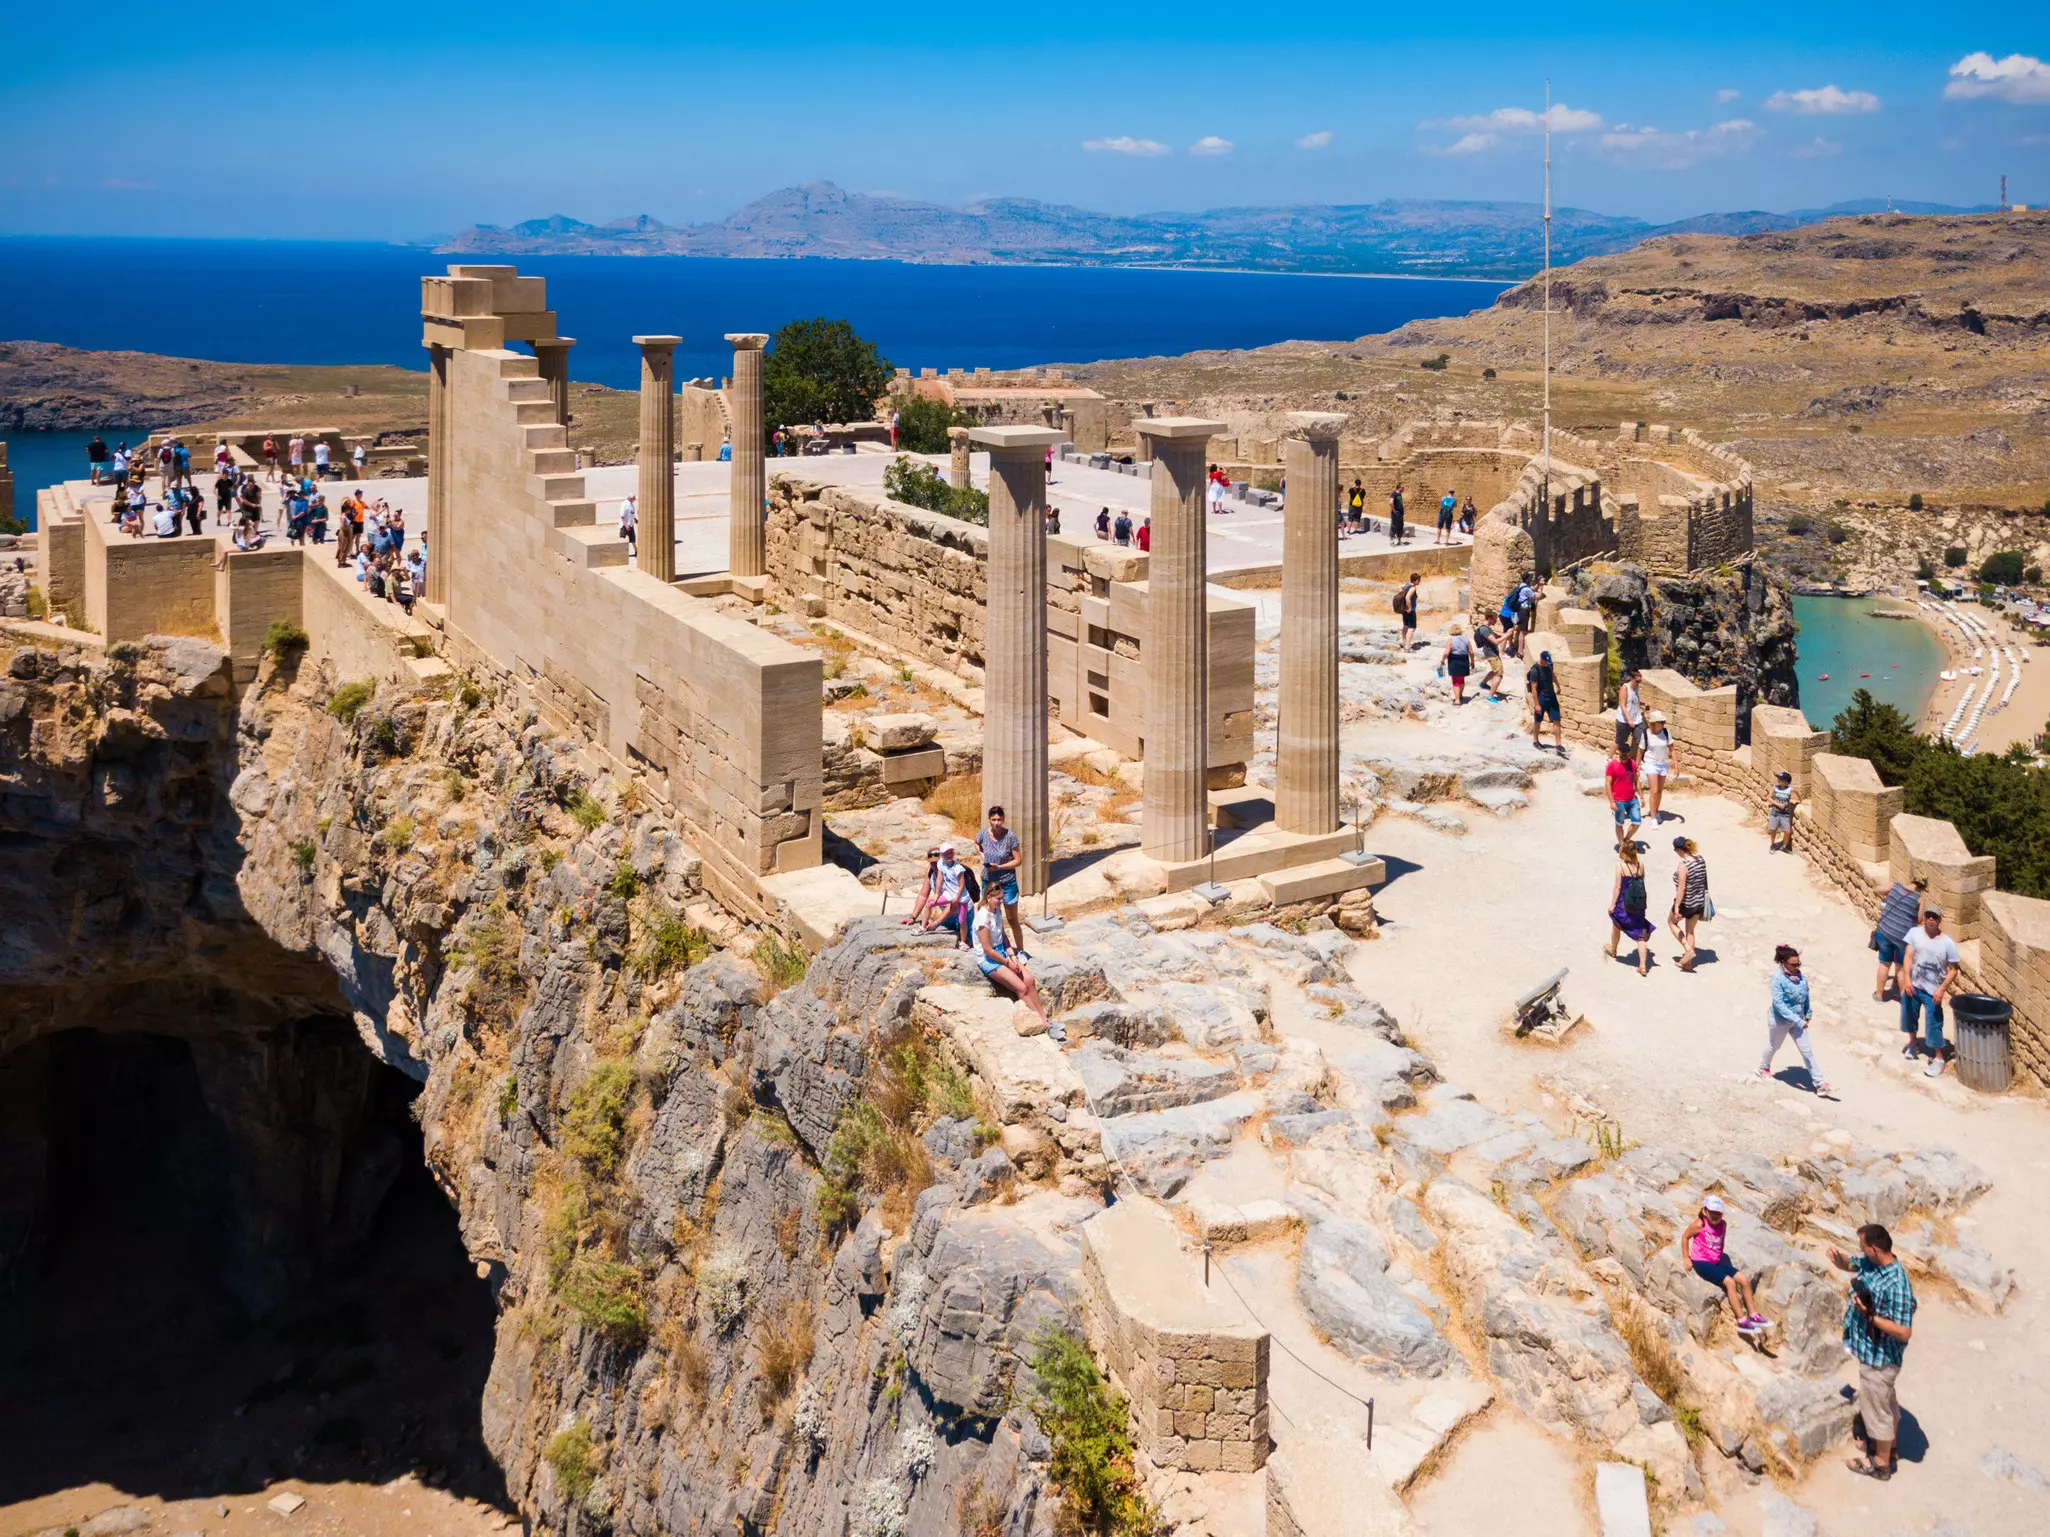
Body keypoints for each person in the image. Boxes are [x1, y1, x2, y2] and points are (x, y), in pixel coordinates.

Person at [1828, 1224, 1916, 1482]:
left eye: (1863, 1247)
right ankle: (1891, 1446)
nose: (1861, 1251)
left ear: (1875, 1249)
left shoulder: (1897, 1284)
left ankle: (1880, 1463)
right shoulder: (1873, 1263)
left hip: (1881, 1358)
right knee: (1884, 1402)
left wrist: (1870, 1317)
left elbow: (1904, 1332)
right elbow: (1852, 1263)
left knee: (1876, 1409)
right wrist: (1839, 1259)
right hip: (1871, 1353)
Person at [1683, 1195, 1770, 1334]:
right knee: (1730, 1283)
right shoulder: (1699, 1225)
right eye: (1712, 1212)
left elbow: (1721, 1242)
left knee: (1744, 1280)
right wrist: (1686, 1257)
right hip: (1701, 1261)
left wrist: (1721, 1258)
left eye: (1718, 1213)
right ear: (1705, 1211)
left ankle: (1753, 1314)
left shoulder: (1723, 1225)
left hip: (1716, 1260)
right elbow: (1685, 1236)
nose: (1715, 1216)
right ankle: (1742, 1321)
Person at [972, 883, 1050, 1029]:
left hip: (1001, 952)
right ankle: (1039, 1022)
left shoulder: (996, 911)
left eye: (1002, 898)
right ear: (988, 897)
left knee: (1029, 980)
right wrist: (1008, 964)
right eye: (998, 899)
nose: (1001, 901)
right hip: (989, 959)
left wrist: (1013, 957)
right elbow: (987, 949)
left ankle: (1043, 1017)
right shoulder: (983, 918)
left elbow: (1003, 936)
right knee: (1021, 988)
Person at [1761, 944, 1833, 1092]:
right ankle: (1763, 1069)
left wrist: (1807, 1013)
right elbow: (1779, 1004)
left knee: (1807, 1051)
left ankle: (1820, 1084)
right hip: (1780, 1020)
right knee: (1774, 1046)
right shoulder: (1777, 978)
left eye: (1798, 963)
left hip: (1798, 1020)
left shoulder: (1800, 977)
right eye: (1793, 964)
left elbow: (1805, 996)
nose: (1797, 967)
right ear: (1783, 963)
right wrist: (1798, 1020)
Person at [1900, 907, 1961, 1075]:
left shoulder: (1947, 943)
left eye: (1935, 916)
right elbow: (1908, 956)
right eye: (1928, 915)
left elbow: (1953, 970)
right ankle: (1913, 1044)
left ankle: (1939, 1059)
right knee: (1909, 1015)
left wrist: (1942, 989)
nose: (1931, 919)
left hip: (1932, 991)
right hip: (1913, 985)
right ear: (1924, 917)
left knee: (1934, 1023)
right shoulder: (1914, 933)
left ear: (1940, 920)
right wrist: (1907, 979)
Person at [977, 805, 1028, 956]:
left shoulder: (1010, 836)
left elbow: (1018, 860)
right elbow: (976, 842)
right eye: (993, 819)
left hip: (1007, 881)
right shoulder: (983, 833)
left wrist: (999, 867)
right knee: (990, 917)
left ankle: (1020, 950)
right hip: (989, 882)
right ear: (989, 819)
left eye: (999, 819)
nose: (996, 823)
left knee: (1012, 919)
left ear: (1003, 819)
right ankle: (993, 948)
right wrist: (982, 855)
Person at [1872, 876, 1927, 1001]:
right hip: (1902, 937)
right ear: (1923, 887)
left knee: (1884, 964)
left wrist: (1887, 900)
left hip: (1885, 931)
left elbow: (1876, 890)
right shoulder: (1919, 899)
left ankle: (1879, 995)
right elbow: (1919, 920)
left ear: (1912, 880)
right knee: (1901, 968)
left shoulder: (1894, 887)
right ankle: (1904, 1000)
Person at [1605, 842, 1655, 975]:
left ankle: (1613, 950)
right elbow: (1641, 882)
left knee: (1616, 924)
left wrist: (1612, 904)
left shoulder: (1621, 867)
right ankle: (1643, 965)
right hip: (1638, 903)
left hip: (1624, 903)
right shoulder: (1641, 865)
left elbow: (1618, 888)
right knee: (1640, 933)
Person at [1670, 836, 1710, 971]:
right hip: (1699, 902)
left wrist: (1677, 906)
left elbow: (1681, 888)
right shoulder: (1700, 860)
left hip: (1686, 903)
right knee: (1690, 932)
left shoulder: (1683, 865)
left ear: (1679, 850)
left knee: (1671, 923)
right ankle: (1688, 964)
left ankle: (1688, 950)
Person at [931, 844, 974, 945]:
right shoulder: (932, 874)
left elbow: (952, 905)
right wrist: (913, 917)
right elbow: (923, 896)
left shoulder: (956, 870)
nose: (934, 865)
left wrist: (936, 923)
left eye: (936, 862)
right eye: (932, 863)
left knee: (971, 937)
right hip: (947, 914)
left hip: (961, 907)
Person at [1526, 649, 1564, 752]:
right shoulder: (1535, 670)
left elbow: (1553, 675)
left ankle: (1558, 744)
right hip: (1541, 699)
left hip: (1552, 697)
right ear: (1541, 659)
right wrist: (1537, 704)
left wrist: (1558, 686)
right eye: (1546, 661)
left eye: (1549, 661)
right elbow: (1534, 689)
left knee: (1557, 720)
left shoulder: (1550, 665)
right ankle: (1535, 741)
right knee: (1538, 721)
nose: (1547, 663)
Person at [1607, 742, 1642, 849]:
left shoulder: (1632, 764)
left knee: (1637, 822)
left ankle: (1626, 839)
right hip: (1619, 800)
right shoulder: (1612, 765)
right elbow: (1608, 784)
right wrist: (1612, 802)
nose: (1624, 755)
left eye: (1626, 753)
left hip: (1632, 799)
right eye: (1623, 753)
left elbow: (1636, 781)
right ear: (1619, 752)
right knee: (1619, 823)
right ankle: (1622, 846)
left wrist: (1641, 796)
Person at [1641, 711, 1673, 824]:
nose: (1663, 724)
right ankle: (1653, 817)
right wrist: (1636, 766)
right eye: (1661, 722)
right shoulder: (1646, 734)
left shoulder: (1666, 732)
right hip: (1650, 763)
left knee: (1659, 791)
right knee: (1654, 791)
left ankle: (1656, 811)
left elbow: (1672, 749)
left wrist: (1676, 765)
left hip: (1662, 764)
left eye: (1664, 722)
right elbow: (1640, 751)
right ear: (1654, 723)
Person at [1472, 617, 1506, 699]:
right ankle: (1490, 696)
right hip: (1491, 654)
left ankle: (1483, 684)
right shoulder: (1484, 630)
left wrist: (1505, 634)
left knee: (1495, 671)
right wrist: (1507, 635)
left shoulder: (1487, 628)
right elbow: (1496, 641)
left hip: (1492, 653)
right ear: (1490, 618)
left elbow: (1496, 637)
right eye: (1495, 620)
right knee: (1499, 674)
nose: (1496, 621)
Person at [1439, 622, 1473, 704]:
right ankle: (1460, 695)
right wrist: (1472, 661)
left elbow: (1447, 652)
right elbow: (1471, 652)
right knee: (1462, 679)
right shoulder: (1466, 639)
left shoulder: (1450, 640)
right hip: (1464, 660)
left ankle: (1457, 700)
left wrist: (1442, 660)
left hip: (1454, 661)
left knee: (1455, 681)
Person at [1767, 769, 1798, 853]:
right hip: (1775, 812)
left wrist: (1799, 800)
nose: (1778, 780)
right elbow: (1768, 797)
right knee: (1773, 829)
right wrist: (1777, 804)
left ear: (1786, 782)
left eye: (1780, 779)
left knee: (1787, 832)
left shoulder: (1790, 789)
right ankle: (1772, 845)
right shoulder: (1775, 787)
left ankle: (1784, 847)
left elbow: (1797, 793)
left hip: (1785, 814)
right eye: (1779, 778)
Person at [1615, 669, 1645, 754]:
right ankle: (1609, 757)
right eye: (1637, 681)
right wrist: (1629, 720)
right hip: (1624, 720)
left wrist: (1642, 704)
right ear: (1632, 678)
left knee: (1642, 740)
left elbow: (1633, 700)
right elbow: (1622, 705)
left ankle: (1640, 759)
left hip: (1637, 719)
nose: (1638, 683)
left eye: (1640, 681)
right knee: (1619, 742)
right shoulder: (1625, 688)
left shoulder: (1636, 687)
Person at [1394, 572, 1420, 650]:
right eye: (1419, 580)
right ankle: (1407, 647)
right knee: (1412, 628)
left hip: (1404, 609)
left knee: (1406, 626)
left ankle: (1404, 642)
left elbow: (1401, 587)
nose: (1419, 582)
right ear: (1415, 580)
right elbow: (1407, 598)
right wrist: (1410, 608)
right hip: (1409, 610)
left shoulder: (1407, 585)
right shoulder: (1413, 588)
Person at [617, 493, 637, 560]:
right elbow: (622, 516)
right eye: (634, 498)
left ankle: (636, 551)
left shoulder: (631, 504)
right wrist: (626, 525)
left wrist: (635, 519)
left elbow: (631, 514)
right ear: (631, 498)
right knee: (622, 538)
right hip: (624, 525)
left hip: (630, 524)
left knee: (633, 539)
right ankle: (619, 553)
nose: (635, 499)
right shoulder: (625, 504)